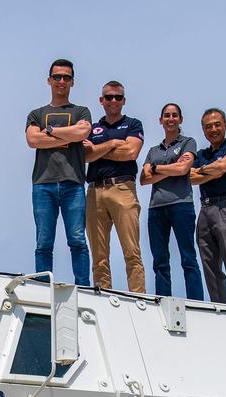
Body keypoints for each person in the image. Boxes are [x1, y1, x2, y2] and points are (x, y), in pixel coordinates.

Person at [25, 59, 93, 285]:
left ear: (73, 82)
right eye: (57, 77)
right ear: (49, 80)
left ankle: (83, 287)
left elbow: (82, 132)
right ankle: (43, 287)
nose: (61, 81)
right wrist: (68, 134)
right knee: (44, 242)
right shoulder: (36, 113)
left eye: (66, 77)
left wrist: (52, 131)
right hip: (43, 184)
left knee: (77, 240)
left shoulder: (81, 111)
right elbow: (33, 140)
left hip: (73, 182)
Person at [83, 81, 145, 292]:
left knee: (131, 251)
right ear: (101, 101)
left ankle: (138, 298)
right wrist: (111, 144)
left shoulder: (133, 124)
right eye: (109, 97)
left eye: (118, 97)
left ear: (124, 101)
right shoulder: (93, 128)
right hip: (94, 191)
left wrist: (98, 149)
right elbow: (85, 155)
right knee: (99, 255)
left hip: (123, 188)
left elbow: (130, 153)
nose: (113, 101)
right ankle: (103, 295)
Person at [140, 103, 204, 300]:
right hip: (156, 208)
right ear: (160, 120)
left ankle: (196, 301)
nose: (171, 119)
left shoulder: (188, 142)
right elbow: (143, 179)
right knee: (160, 260)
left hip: (181, 204)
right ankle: (162, 300)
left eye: (175, 115)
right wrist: (170, 168)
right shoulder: (153, 150)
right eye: (167, 116)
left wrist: (157, 169)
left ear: (181, 119)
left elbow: (183, 169)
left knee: (188, 257)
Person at [190, 108, 226, 305]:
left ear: (225, 126)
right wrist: (213, 170)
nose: (213, 129)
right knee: (209, 264)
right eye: (208, 126)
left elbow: (223, 167)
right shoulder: (201, 154)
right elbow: (191, 177)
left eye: (217, 125)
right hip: (205, 210)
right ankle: (219, 308)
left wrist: (209, 170)